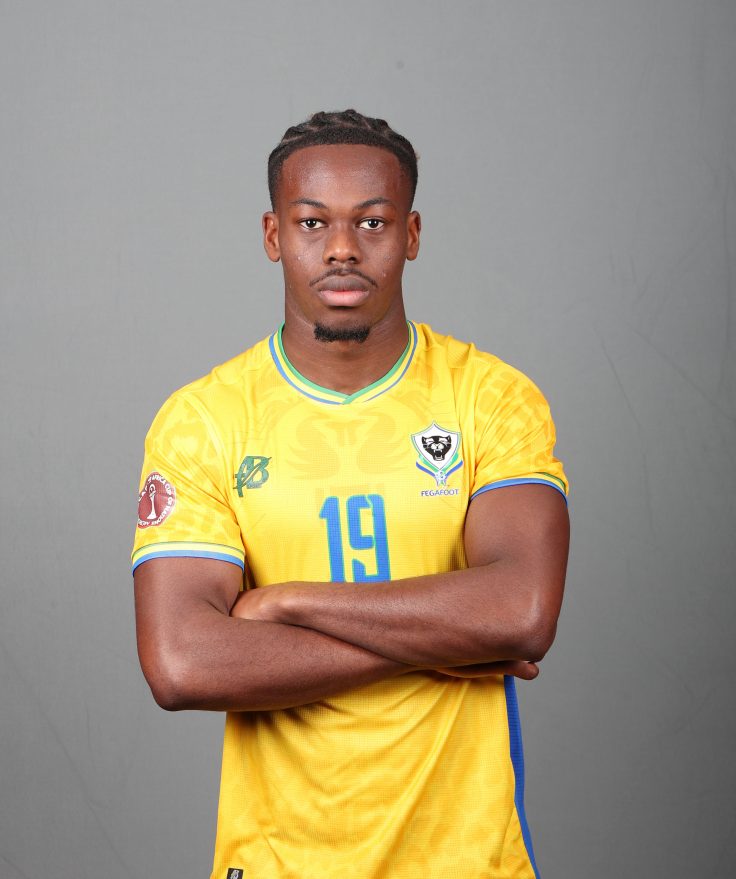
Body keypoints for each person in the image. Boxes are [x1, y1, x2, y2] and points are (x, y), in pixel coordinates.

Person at [132, 109, 569, 879]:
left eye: (372, 221)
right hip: (276, 862)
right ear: (273, 235)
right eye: (312, 222)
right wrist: (449, 640)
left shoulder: (491, 398)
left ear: (412, 234)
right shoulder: (204, 419)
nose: (341, 247)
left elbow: (522, 611)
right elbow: (182, 663)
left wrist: (287, 602)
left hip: (468, 859)